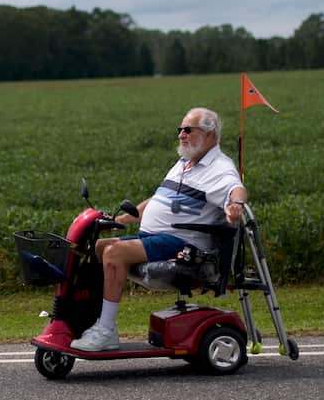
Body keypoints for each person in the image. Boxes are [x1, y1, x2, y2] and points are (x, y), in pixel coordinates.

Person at [69, 106, 247, 352]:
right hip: (159, 238)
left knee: (114, 253)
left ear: (209, 134)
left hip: (184, 243)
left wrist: (236, 204)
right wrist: (121, 220)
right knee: (98, 248)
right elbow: (158, 200)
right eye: (180, 130)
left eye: (187, 130)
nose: (180, 135)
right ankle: (93, 320)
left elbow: (235, 188)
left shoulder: (219, 168)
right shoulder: (185, 163)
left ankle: (106, 331)